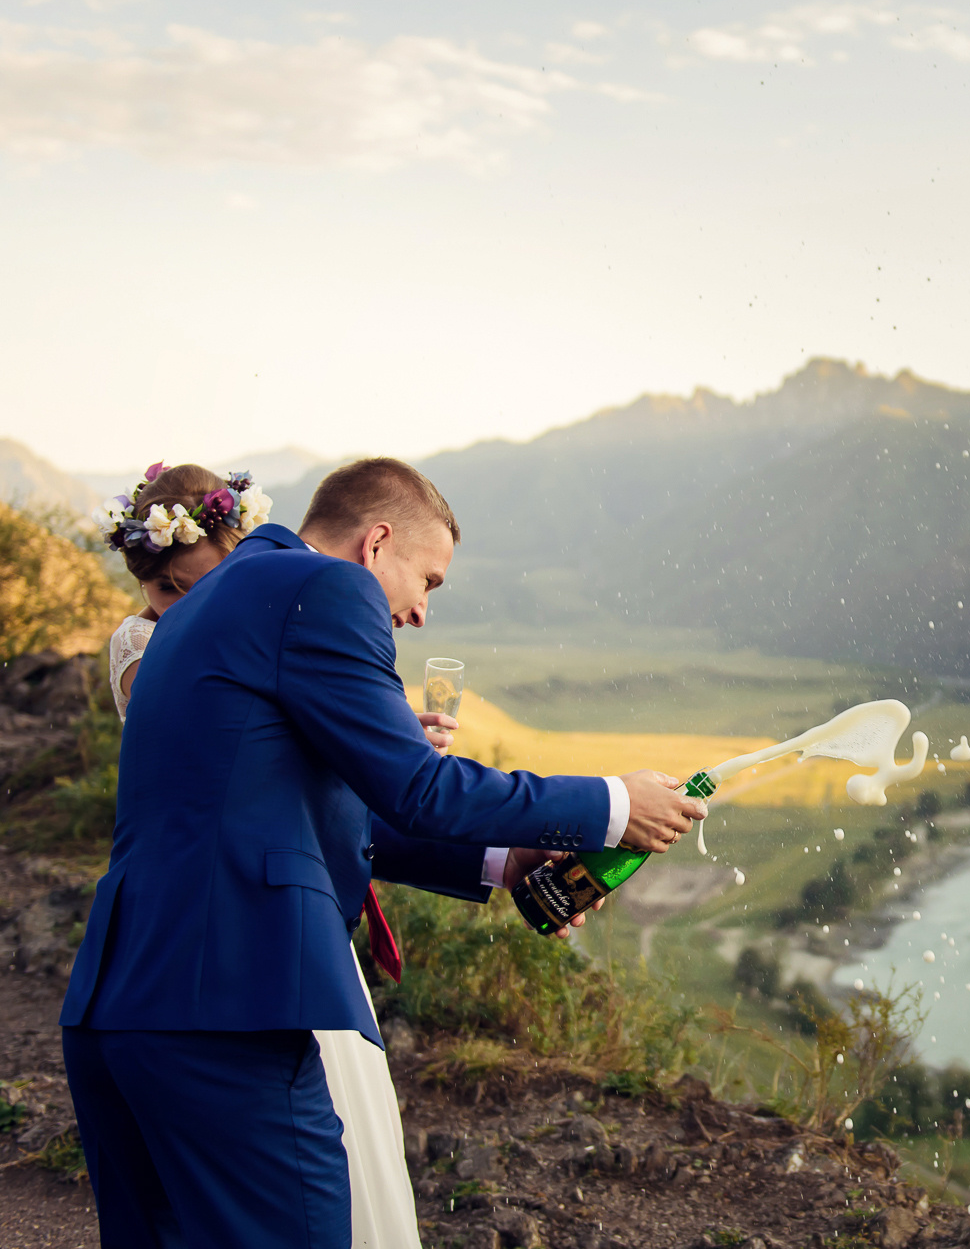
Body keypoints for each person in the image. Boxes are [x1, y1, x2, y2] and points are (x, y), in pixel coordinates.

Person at [64, 456, 706, 1247]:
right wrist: (612, 804)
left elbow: (295, 810)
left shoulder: (204, 609)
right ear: (376, 543)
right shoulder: (325, 589)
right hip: (225, 1010)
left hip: (119, 1008)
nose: (421, 612)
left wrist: (502, 861)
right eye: (429, 581)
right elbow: (418, 788)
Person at [95, 460, 447, 1247]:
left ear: (237, 551)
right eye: (168, 592)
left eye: (202, 581)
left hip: (287, 931)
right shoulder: (155, 646)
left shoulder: (270, 607)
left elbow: (300, 785)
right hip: (230, 940)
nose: (188, 606)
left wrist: (369, 745)